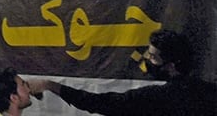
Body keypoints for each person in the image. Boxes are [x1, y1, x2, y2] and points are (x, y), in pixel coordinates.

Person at [28, 29, 217, 115]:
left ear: (171, 65)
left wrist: (49, 85)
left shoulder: (156, 97)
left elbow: (100, 103)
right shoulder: (209, 91)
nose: (147, 60)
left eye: (153, 57)